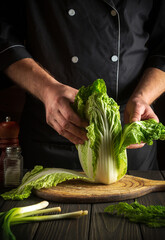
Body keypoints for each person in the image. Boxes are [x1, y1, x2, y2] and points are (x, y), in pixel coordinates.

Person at [0, 1, 165, 170]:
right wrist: (47, 89)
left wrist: (143, 97)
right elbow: (4, 38)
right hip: (51, 133)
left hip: (125, 135)